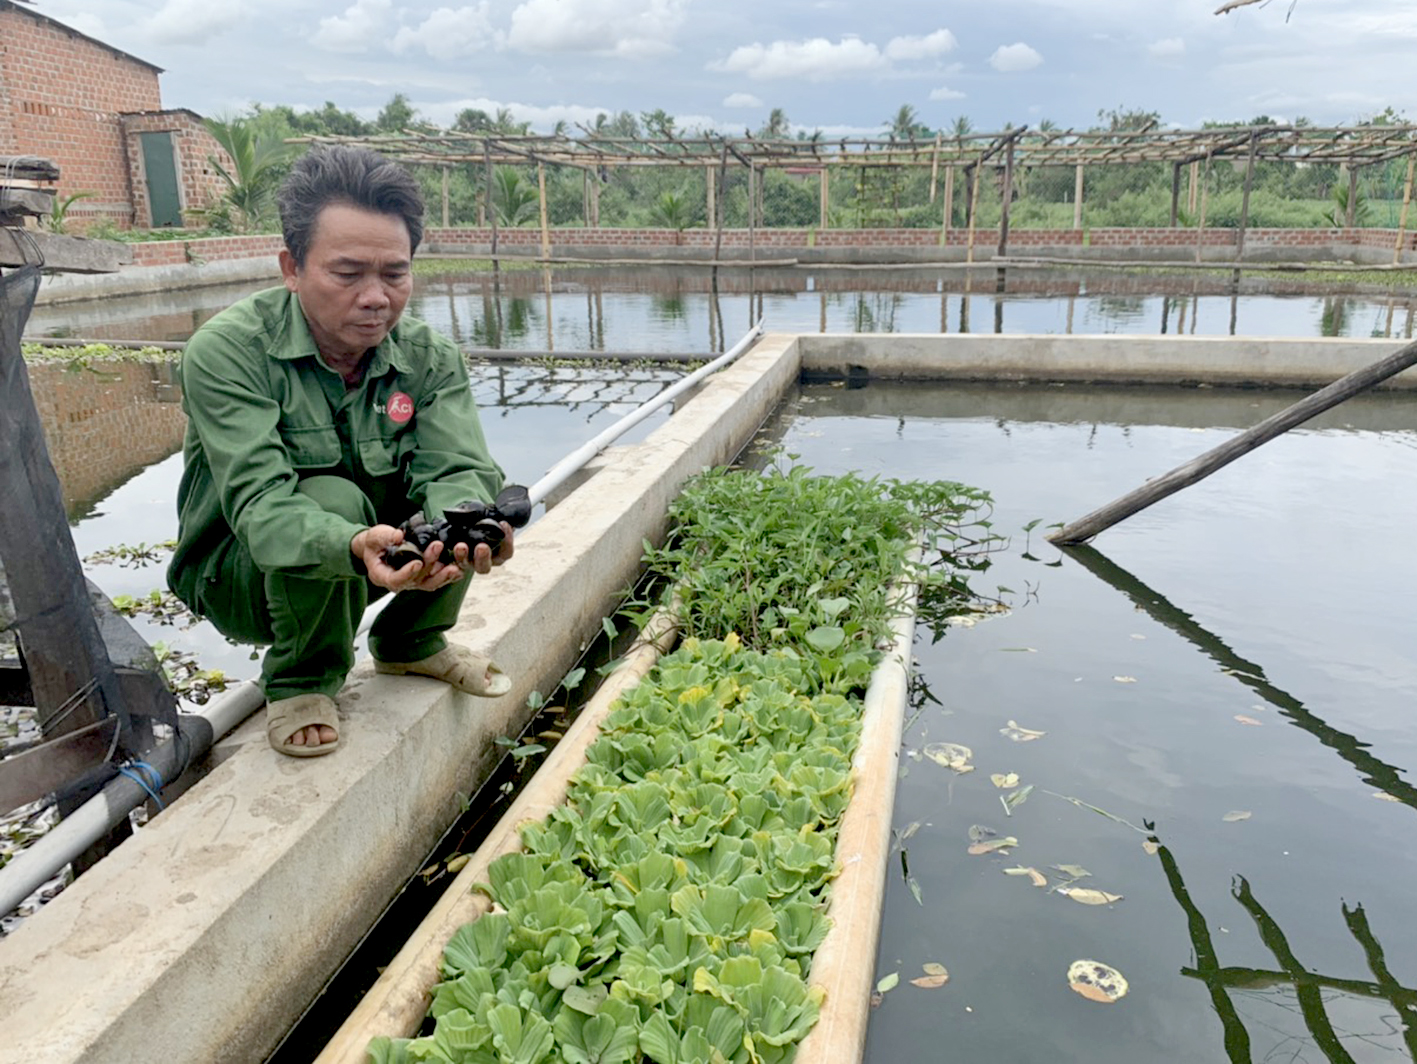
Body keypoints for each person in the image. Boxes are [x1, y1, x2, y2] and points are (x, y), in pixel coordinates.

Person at [168, 145, 514, 758]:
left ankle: (412, 644)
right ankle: (302, 677)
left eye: (395, 274)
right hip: (241, 570)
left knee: (468, 500)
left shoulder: (429, 357)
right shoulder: (227, 353)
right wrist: (351, 544)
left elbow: (457, 465)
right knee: (331, 499)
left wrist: (473, 526)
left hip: (374, 559)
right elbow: (262, 508)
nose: (377, 297)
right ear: (291, 267)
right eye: (348, 274)